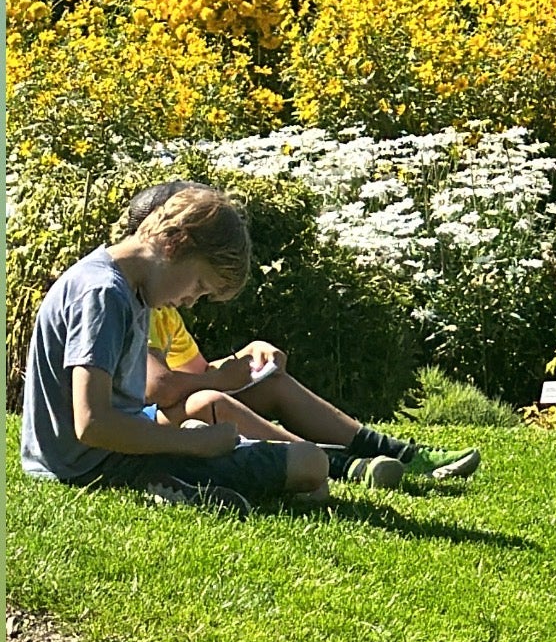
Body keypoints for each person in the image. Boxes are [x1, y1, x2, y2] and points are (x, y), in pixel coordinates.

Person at [126, 181, 480, 486]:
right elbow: (156, 388)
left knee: (270, 382)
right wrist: (221, 380)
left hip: (166, 413)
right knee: (210, 401)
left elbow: (194, 375)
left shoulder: (165, 311)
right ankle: (341, 467)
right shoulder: (138, 302)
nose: (192, 300)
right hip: (142, 426)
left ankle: (398, 453)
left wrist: (245, 358)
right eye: (200, 285)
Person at [21, 184, 329, 515]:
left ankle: (176, 475)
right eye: (198, 286)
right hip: (91, 464)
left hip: (93, 451)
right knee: (310, 462)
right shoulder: (104, 295)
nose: (190, 302)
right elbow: (92, 423)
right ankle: (162, 479)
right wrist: (193, 445)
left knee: (229, 429)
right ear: (174, 243)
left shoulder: (122, 287)